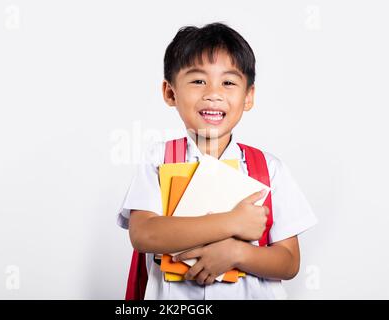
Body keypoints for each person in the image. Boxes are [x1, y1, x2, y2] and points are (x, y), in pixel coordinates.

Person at [116, 22, 317, 299]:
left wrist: (237, 253)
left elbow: (289, 262)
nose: (213, 93)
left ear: (248, 97)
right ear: (170, 93)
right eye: (198, 81)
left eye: (228, 82)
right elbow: (144, 235)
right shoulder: (159, 159)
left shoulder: (269, 169)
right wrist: (232, 222)